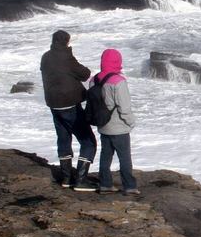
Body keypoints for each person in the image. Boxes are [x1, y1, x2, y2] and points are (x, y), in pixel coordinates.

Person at [40, 30, 97, 189]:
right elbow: (85, 74)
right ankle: (80, 180)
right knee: (88, 141)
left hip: (53, 105)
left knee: (63, 138)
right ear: (66, 41)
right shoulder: (66, 56)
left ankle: (66, 179)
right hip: (69, 104)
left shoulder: (46, 57)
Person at [93, 48, 139, 196]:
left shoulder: (95, 79)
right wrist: (131, 122)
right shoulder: (119, 82)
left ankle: (105, 184)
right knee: (124, 157)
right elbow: (124, 107)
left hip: (103, 125)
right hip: (119, 127)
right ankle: (130, 186)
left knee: (105, 155)